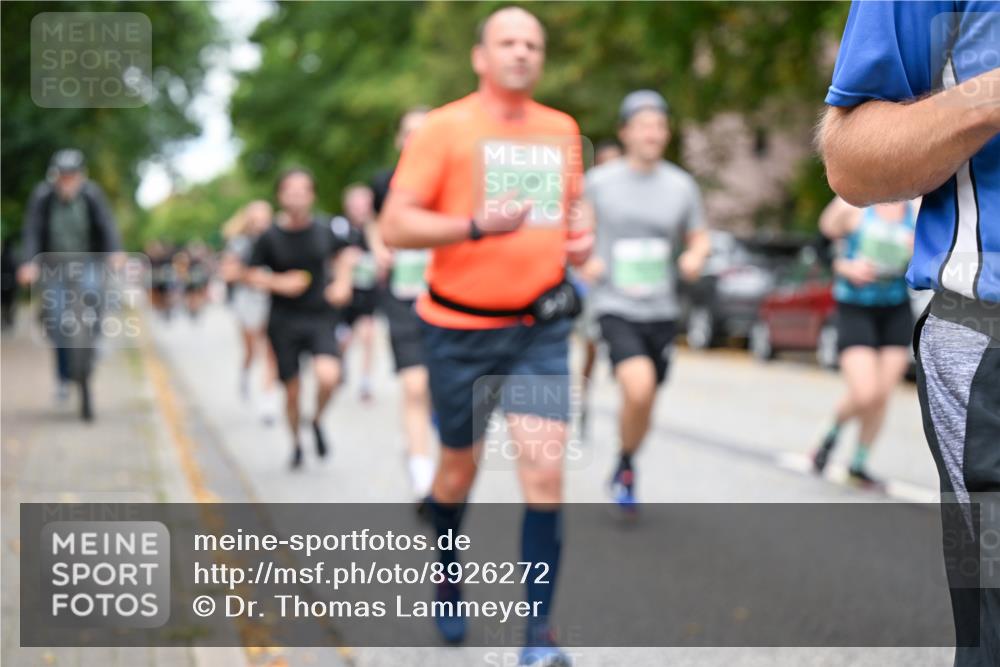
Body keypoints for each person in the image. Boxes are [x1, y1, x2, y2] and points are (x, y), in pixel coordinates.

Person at [380, 7, 591, 665]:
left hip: (539, 331)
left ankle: (536, 634)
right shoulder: (444, 128)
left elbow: (570, 219)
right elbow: (395, 226)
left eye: (533, 43)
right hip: (456, 329)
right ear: (481, 56)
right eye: (508, 41)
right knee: (456, 471)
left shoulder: (562, 129)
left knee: (545, 470)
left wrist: (581, 240)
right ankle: (445, 564)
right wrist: (475, 225)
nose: (522, 52)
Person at [818, 3, 999, 665]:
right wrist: (848, 257)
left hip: (895, 303)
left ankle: (854, 451)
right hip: (895, 309)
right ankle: (837, 442)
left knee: (878, 389)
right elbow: (848, 178)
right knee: (865, 387)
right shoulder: (895, 187)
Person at [583, 90, 710, 513]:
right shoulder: (599, 182)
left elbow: (698, 235)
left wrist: (694, 256)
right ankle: (625, 460)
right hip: (614, 304)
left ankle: (625, 460)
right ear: (624, 133)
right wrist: (586, 260)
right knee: (637, 388)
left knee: (647, 396)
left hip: (661, 307)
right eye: (643, 125)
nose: (653, 133)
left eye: (659, 126)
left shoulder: (680, 185)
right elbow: (576, 230)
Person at [246, 168, 354, 469]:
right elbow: (250, 273)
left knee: (329, 376)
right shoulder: (269, 236)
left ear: (311, 195)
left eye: (302, 190)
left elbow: (345, 256)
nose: (296, 196)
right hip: (283, 320)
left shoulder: (324, 229)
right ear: (280, 195)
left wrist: (342, 282)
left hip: (319, 315)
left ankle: (317, 419)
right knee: (291, 391)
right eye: (289, 190)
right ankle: (295, 444)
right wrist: (280, 283)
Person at [812, 197, 917, 487]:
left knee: (881, 394)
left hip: (896, 308)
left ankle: (858, 463)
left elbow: (936, 254)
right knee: (865, 392)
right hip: (855, 307)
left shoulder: (918, 209)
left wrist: (918, 251)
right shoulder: (853, 202)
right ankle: (830, 432)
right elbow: (818, 246)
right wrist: (845, 268)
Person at [18, 149, 122, 419]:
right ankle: (64, 378)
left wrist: (115, 252)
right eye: (63, 177)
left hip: (86, 260)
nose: (67, 181)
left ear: (80, 176)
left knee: (94, 295)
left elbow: (106, 225)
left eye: (72, 176)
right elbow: (32, 230)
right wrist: (29, 262)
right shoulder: (43, 197)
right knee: (56, 319)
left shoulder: (91, 194)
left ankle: (95, 341)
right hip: (53, 265)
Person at [368, 107, 438, 501]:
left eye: (424, 133)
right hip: (402, 295)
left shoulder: (452, 181)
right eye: (409, 133)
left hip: (447, 297)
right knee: (415, 384)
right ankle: (422, 474)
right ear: (399, 141)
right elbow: (375, 225)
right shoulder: (385, 183)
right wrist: (379, 249)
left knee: (440, 389)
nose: (416, 141)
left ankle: (422, 444)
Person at [574, 138, 623, 439]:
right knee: (591, 346)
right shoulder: (589, 194)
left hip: (625, 286)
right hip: (594, 283)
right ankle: (584, 399)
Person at [221, 200, 278, 418]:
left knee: (271, 349)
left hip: (271, 299)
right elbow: (228, 273)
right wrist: (252, 276)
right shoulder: (239, 244)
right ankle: (245, 373)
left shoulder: (276, 240)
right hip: (247, 301)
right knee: (251, 350)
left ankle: (268, 397)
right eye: (257, 219)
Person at [331, 184, 378, 403]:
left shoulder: (375, 229)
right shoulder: (339, 228)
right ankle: (341, 365)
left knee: (368, 335)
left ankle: (366, 380)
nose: (361, 209)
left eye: (364, 205)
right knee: (344, 338)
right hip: (345, 294)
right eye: (357, 204)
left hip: (368, 292)